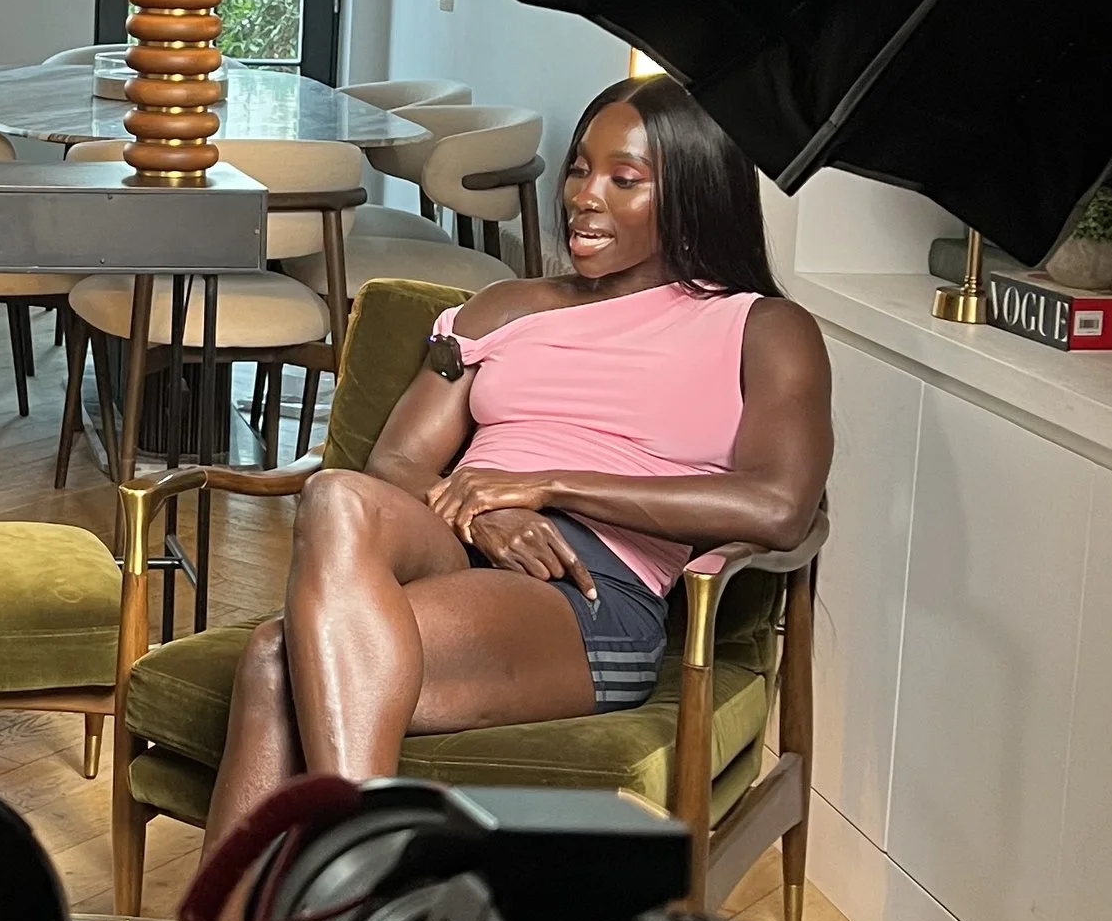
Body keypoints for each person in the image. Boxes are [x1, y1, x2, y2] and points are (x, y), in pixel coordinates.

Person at [199, 76, 831, 869]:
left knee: (272, 658)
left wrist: (547, 485)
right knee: (338, 494)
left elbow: (778, 506)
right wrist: (485, 515)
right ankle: (359, 879)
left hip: (586, 590)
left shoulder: (761, 327)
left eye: (623, 179)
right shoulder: (501, 307)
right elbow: (395, 460)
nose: (584, 197)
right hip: (458, 529)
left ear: (693, 194)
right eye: (577, 169)